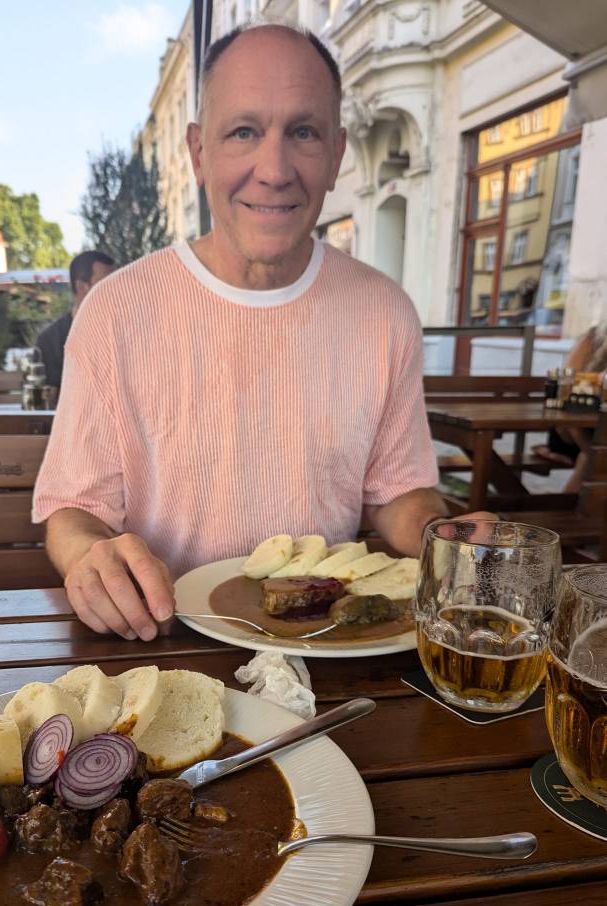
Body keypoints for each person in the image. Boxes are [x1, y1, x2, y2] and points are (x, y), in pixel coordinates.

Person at [32, 20, 490, 642]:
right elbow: (74, 510)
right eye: (244, 131)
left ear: (335, 155)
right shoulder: (116, 309)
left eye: (302, 132)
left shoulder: (385, 312)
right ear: (198, 152)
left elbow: (397, 493)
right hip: (159, 634)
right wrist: (89, 556)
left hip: (324, 643)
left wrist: (446, 537)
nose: (273, 169)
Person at [532, 320, 607, 492]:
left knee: (594, 455)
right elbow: (567, 383)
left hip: (597, 431)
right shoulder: (593, 338)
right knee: (592, 456)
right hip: (572, 430)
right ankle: (570, 513)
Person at [36, 250, 114, 389]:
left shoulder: (122, 333)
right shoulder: (50, 341)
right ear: (81, 287)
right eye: (106, 284)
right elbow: (54, 398)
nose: (115, 291)